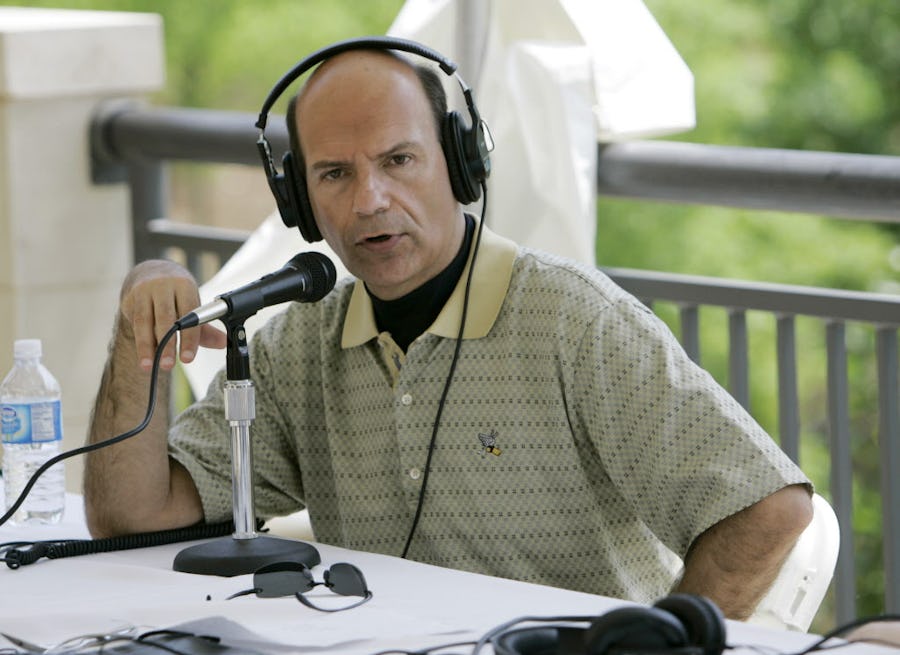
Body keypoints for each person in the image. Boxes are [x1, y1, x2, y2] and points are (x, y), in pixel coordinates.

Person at [84, 43, 813, 621]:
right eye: (335, 174)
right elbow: (133, 517)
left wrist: (664, 645)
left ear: (462, 165)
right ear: (299, 201)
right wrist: (137, 333)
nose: (370, 200)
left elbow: (766, 506)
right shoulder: (295, 348)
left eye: (398, 160)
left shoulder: (575, 319)